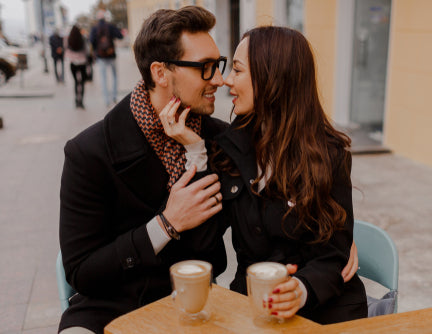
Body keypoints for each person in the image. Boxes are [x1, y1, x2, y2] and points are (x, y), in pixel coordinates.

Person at [161, 25, 366, 325]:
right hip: (251, 310)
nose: (227, 81)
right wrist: (195, 151)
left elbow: (335, 254)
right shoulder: (227, 148)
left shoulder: (330, 154)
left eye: (239, 70)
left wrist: (301, 289)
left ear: (272, 79)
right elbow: (202, 244)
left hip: (325, 312)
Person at [58, 7, 227, 333]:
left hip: (192, 305)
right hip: (109, 307)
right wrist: (166, 225)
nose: (218, 80)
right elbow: (81, 272)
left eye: (218, 65)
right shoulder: (89, 152)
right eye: (205, 68)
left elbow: (212, 252)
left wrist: (196, 152)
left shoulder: (215, 138)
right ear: (161, 73)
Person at [90, 9, 123, 107]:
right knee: (114, 76)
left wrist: (96, 49)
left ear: (97, 18)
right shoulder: (110, 26)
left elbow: (91, 40)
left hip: (101, 57)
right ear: (105, 17)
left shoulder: (94, 28)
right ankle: (114, 96)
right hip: (111, 54)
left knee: (103, 78)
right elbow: (120, 36)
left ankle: (106, 100)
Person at [65, 25, 89, 109]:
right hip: (82, 62)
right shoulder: (82, 38)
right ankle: (81, 101)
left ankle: (76, 100)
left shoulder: (68, 39)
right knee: (82, 83)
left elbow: (66, 50)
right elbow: (86, 50)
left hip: (73, 63)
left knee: (76, 82)